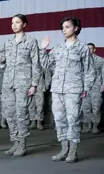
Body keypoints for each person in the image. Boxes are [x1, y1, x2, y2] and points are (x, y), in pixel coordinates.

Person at [40, 17, 95, 163]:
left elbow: (90, 70)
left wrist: (86, 88)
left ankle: (73, 152)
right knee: (59, 120)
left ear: (76, 28)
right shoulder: (58, 48)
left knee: (73, 119)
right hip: (57, 89)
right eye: (62, 27)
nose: (64, 30)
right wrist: (43, 49)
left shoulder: (82, 47)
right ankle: (64, 150)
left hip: (74, 89)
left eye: (67, 27)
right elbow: (45, 64)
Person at [0, 14, 42, 156]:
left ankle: (23, 144)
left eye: (17, 22)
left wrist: (34, 84)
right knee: (9, 114)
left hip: (23, 83)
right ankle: (15, 142)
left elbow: (36, 64)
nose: (14, 25)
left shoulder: (31, 42)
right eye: (12, 22)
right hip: (8, 83)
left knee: (21, 114)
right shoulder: (8, 42)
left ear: (24, 24)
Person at [81, 43, 103, 134]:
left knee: (96, 108)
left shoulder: (100, 60)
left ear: (94, 50)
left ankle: (95, 126)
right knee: (85, 108)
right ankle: (88, 125)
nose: (89, 50)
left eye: (90, 49)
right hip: (85, 88)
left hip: (96, 87)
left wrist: (103, 85)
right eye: (87, 49)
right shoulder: (82, 60)